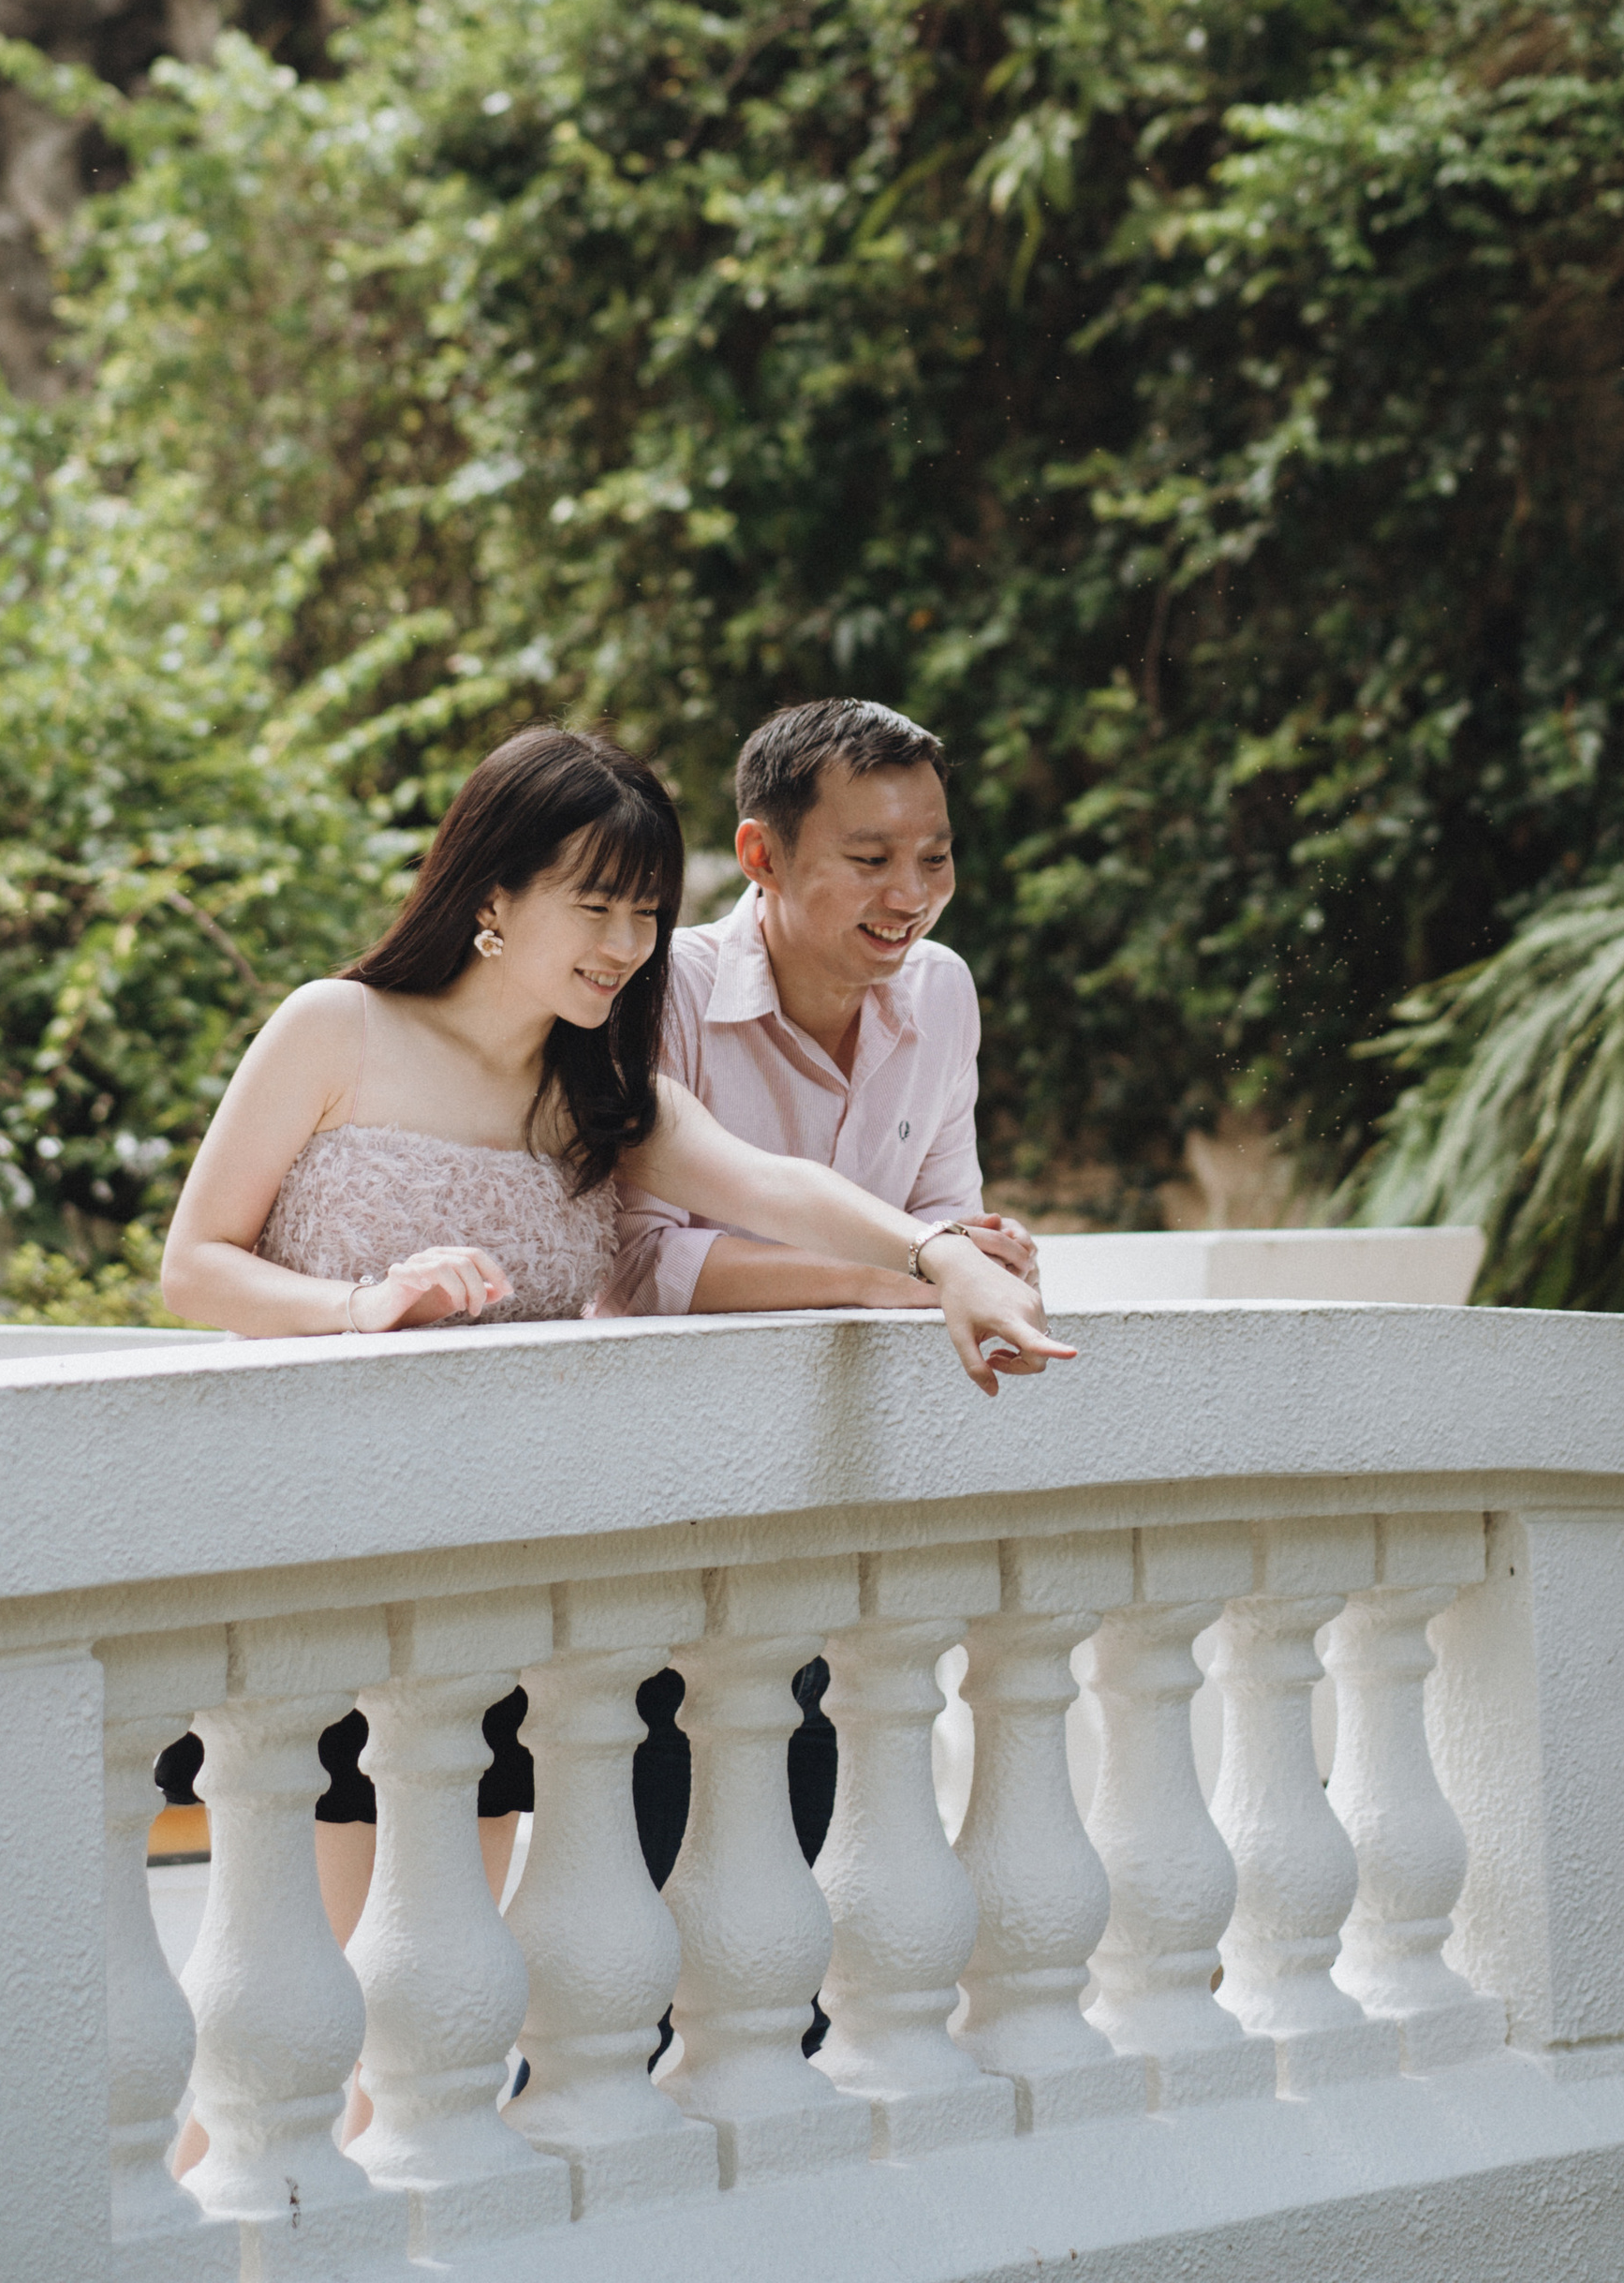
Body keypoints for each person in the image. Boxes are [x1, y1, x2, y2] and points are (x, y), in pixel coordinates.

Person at [156, 719, 1071, 1976]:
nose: (627, 947)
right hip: (323, 1546)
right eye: (595, 908)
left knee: (435, 1983)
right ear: (492, 896)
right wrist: (362, 1308)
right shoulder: (337, 1027)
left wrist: (939, 1258)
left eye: (645, 914)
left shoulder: (601, 1089)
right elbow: (193, 1264)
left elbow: (771, 1184)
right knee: (301, 1983)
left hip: (492, 1570)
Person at [599, 695, 1027, 1886]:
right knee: (656, 1855)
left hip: (839, 1486)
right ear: (761, 855)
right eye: (870, 859)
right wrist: (893, 1273)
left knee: (812, 1854)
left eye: (933, 856)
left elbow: (942, 1209)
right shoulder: (662, 990)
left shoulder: (940, 990)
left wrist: (979, 1253)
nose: (911, 892)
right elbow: (635, 1262)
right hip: (666, 1498)